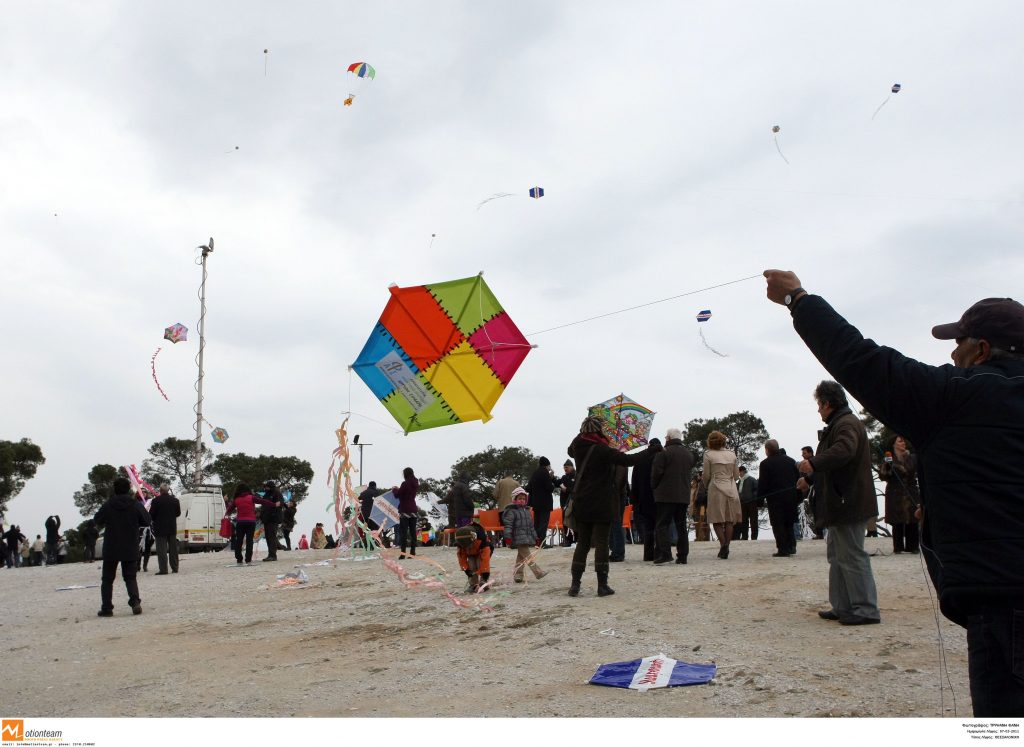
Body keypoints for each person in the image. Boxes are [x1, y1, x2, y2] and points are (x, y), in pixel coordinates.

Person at [811, 379, 883, 624]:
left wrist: (813, 463)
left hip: (848, 502)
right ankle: (842, 606)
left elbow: (844, 451)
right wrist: (810, 479)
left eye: (819, 404)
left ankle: (865, 609)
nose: (818, 409)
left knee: (852, 555)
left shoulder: (846, 424)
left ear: (828, 403)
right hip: (841, 503)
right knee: (837, 556)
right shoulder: (840, 423)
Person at [566, 416, 643, 597]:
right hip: (602, 501)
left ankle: (575, 585)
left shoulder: (578, 445)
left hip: (582, 502)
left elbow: (570, 449)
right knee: (601, 542)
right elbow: (628, 460)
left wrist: (582, 432)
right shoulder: (602, 449)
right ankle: (602, 585)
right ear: (599, 429)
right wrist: (651, 452)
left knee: (583, 543)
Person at [94, 477, 152, 616]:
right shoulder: (135, 504)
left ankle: (107, 608)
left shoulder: (108, 504)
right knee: (130, 577)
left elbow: (97, 519)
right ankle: (135, 602)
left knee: (107, 579)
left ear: (115, 489)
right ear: (128, 489)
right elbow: (147, 520)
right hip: (130, 545)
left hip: (111, 546)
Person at [651, 429, 694, 565]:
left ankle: (665, 553)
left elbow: (656, 473)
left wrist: (654, 487)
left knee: (662, 524)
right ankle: (683, 555)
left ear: (668, 438)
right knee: (681, 526)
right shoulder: (688, 454)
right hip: (683, 496)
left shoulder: (663, 453)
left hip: (665, 495)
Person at [702, 431, 742, 559]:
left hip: (716, 487)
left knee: (717, 519)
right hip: (730, 487)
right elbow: (736, 475)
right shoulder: (731, 454)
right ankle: (727, 545)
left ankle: (723, 544)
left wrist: (706, 484)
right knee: (729, 519)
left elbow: (706, 475)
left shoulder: (708, 455)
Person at [759, 440, 801, 557]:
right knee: (789, 522)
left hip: (775, 499)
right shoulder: (791, 461)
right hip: (791, 497)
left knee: (778, 524)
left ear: (767, 450)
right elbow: (798, 480)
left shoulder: (765, 464)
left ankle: (783, 548)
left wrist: (760, 500)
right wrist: (799, 496)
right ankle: (791, 546)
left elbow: (763, 483)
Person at [879, 436, 920, 554]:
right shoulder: (888, 459)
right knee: (896, 521)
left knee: (913, 519)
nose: (903, 443)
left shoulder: (912, 457)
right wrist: (887, 466)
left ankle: (913, 547)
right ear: (894, 444)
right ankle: (898, 547)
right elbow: (883, 476)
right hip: (894, 492)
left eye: (904, 441)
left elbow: (917, 472)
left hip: (911, 491)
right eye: (900, 441)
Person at [224, 484, 279, 564]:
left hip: (240, 522)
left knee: (239, 540)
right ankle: (248, 559)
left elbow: (229, 509)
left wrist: (226, 515)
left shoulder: (236, 499)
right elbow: (263, 501)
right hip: (251, 522)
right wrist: (274, 504)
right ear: (247, 490)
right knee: (249, 540)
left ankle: (239, 559)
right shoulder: (251, 497)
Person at [502, 487, 548, 583]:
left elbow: (531, 526)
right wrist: (507, 537)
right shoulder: (512, 511)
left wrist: (536, 537)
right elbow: (508, 525)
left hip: (526, 537)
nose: (522, 501)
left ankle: (518, 575)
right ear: (515, 499)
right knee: (528, 556)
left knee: (521, 557)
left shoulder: (527, 511)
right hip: (517, 537)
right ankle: (538, 572)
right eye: (519, 499)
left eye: (524, 499)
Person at [629, 438, 663, 561]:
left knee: (648, 526)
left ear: (649, 446)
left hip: (644, 497)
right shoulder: (661, 457)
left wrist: (635, 499)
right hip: (658, 496)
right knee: (659, 525)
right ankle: (659, 552)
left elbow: (635, 480)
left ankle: (648, 554)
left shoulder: (640, 458)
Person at [149, 483, 181, 574]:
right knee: (173, 549)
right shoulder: (175, 500)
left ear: (160, 490)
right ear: (168, 490)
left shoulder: (156, 501)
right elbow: (178, 513)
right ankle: (175, 568)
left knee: (162, 550)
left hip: (160, 528)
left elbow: (151, 514)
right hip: (171, 527)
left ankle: (163, 569)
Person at [526, 457, 556, 548]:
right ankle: (542, 543)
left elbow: (528, 488)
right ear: (547, 465)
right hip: (545, 503)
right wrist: (551, 478)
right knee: (543, 524)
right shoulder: (545, 473)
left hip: (535, 502)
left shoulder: (535, 473)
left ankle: (536, 542)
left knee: (537, 523)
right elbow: (550, 488)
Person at [455, 521, 492, 593]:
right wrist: (466, 569)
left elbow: (485, 560)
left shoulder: (482, 540)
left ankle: (483, 582)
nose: (467, 547)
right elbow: (462, 557)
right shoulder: (460, 544)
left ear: (474, 539)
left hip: (481, 552)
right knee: (471, 565)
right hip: (470, 554)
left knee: (479, 563)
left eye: (468, 545)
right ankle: (473, 584)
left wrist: (485, 574)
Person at [392, 467, 419, 558]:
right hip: (413, 509)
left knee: (403, 533)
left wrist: (394, 489)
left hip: (405, 510)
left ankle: (403, 554)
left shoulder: (405, 483)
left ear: (405, 474)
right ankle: (412, 552)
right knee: (413, 532)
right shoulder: (416, 483)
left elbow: (397, 495)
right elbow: (407, 493)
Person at [734, 466, 759, 541]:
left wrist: (753, 497)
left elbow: (757, 490)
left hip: (752, 503)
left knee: (753, 521)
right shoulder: (739, 482)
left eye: (739, 472)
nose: (738, 474)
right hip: (742, 503)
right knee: (744, 521)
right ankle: (744, 537)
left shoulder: (752, 480)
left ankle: (754, 537)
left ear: (742, 471)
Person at [556, 460, 577, 546]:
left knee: (573, 522)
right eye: (564, 467)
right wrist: (553, 477)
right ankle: (567, 541)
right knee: (565, 522)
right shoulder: (564, 477)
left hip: (573, 503)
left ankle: (575, 540)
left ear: (572, 467)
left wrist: (567, 489)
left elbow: (575, 489)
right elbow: (557, 483)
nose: (565, 469)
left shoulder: (576, 476)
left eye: (567, 467)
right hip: (564, 504)